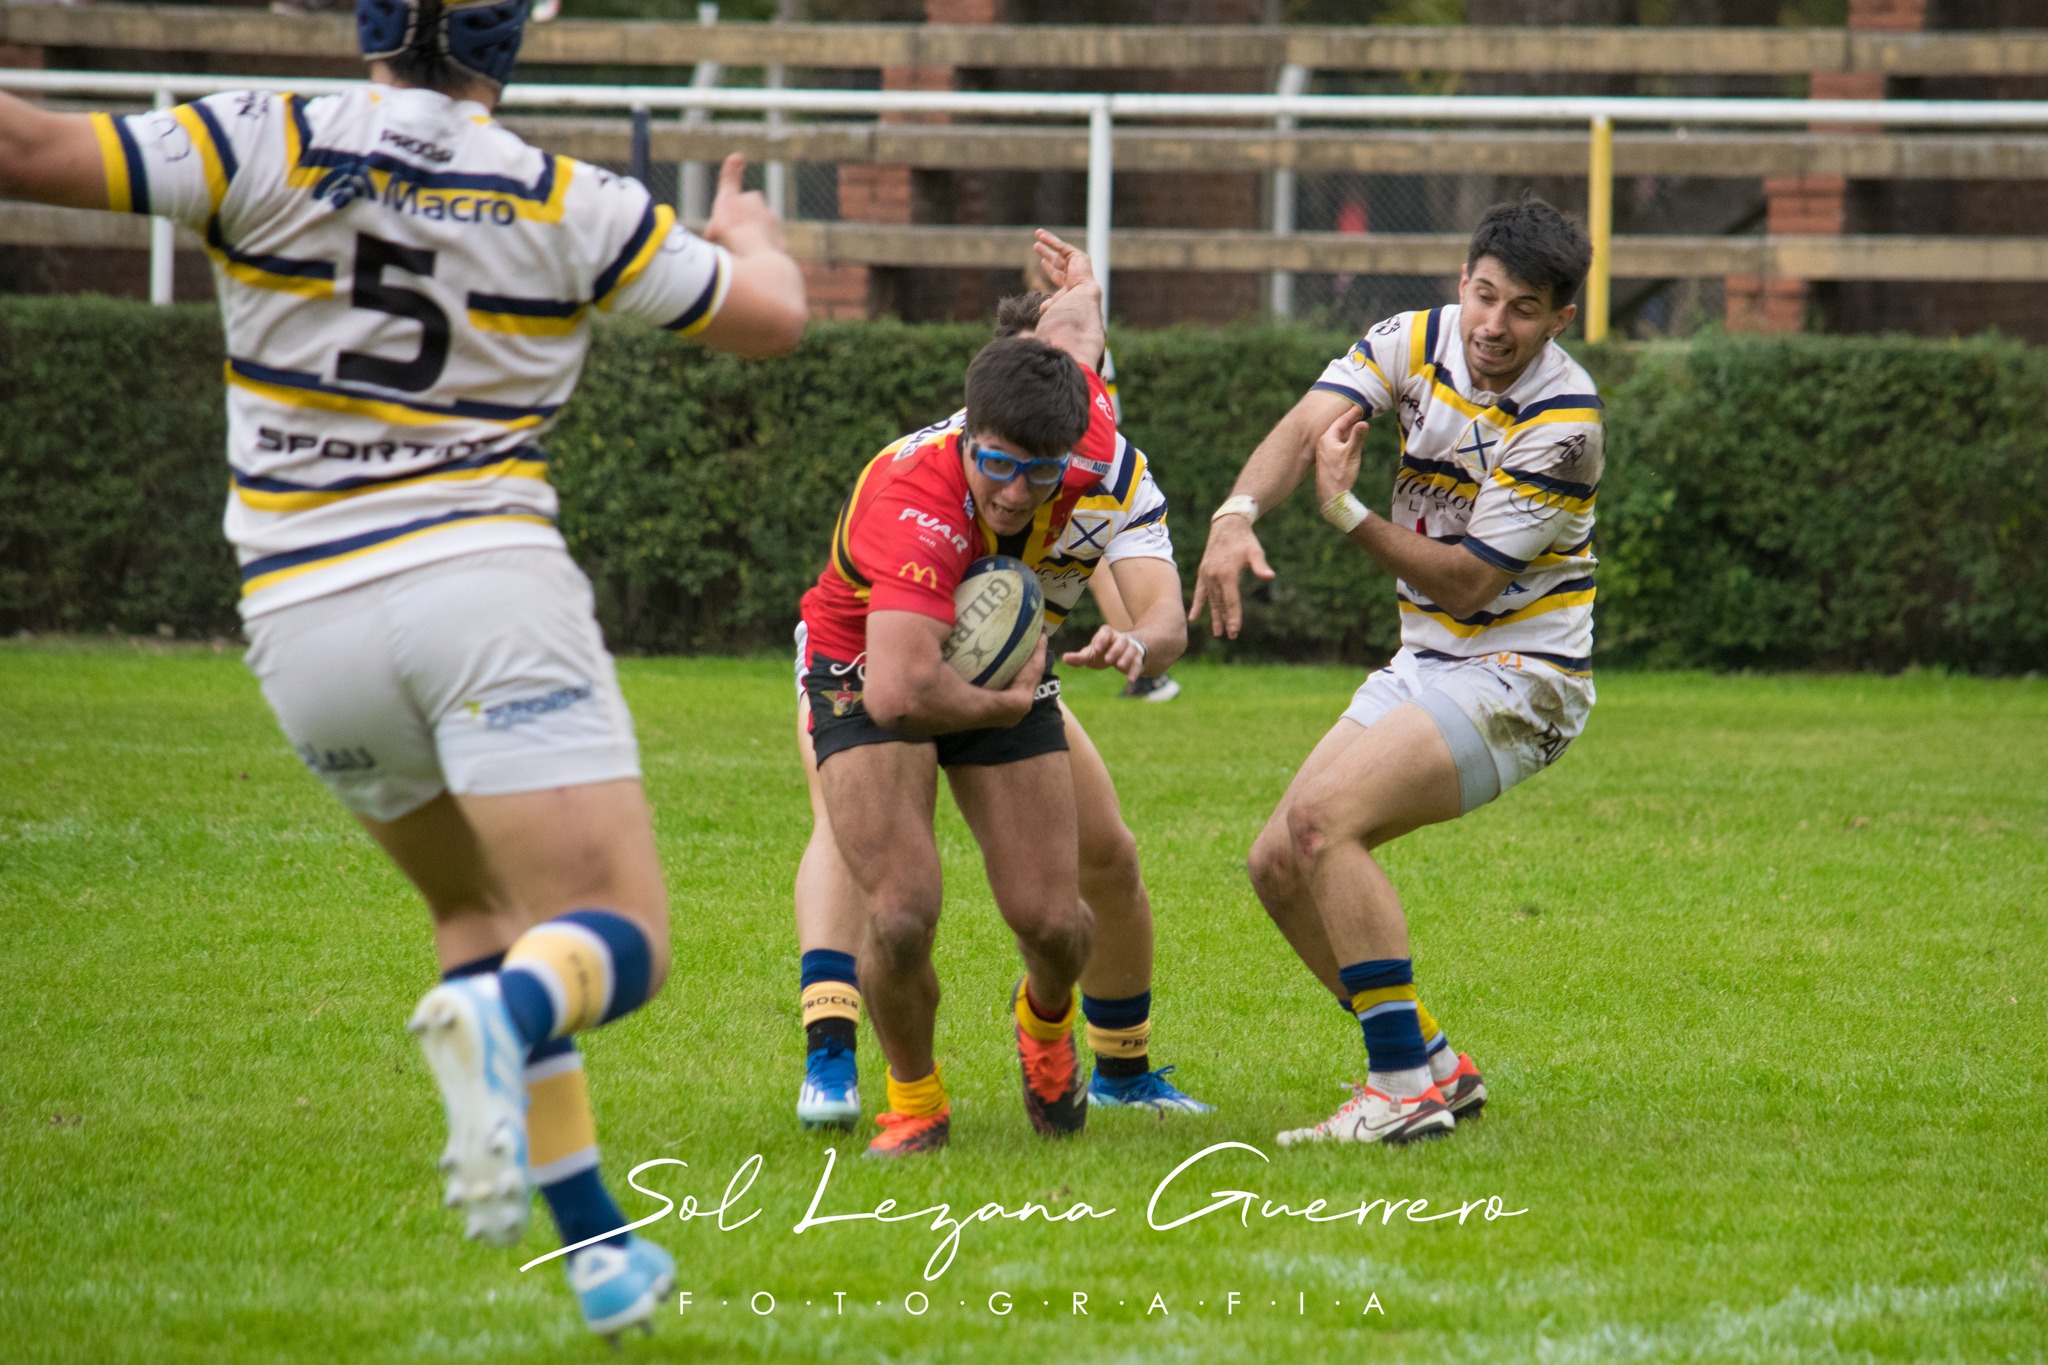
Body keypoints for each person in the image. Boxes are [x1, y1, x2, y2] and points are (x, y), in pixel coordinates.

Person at [0, 0, 806, 1337]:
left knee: (485, 929)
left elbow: (26, 152)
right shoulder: (568, 197)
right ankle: (510, 1051)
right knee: (621, 939)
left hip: (301, 626)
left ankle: (598, 1246)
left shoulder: (261, 137)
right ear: (511, 39)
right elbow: (769, 320)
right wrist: (756, 239)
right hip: (482, 587)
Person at [1190, 197, 1602, 1147]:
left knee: (1324, 826)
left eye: (1524, 309)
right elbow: (1310, 424)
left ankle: (1398, 1090)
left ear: (1560, 319)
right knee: (1276, 862)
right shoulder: (1417, 337)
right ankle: (1432, 1063)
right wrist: (1235, 515)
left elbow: (1464, 586)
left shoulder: (1565, 422)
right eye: (1485, 296)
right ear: (1463, 281)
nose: (1495, 326)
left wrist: (1344, 513)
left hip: (1523, 672)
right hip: (1430, 660)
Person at [790, 286, 1207, 1137]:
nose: (1016, 494)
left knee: (1055, 922)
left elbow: (1166, 618)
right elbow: (901, 693)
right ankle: (915, 1105)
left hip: (999, 666)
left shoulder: (1106, 466)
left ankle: (1046, 1028)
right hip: (871, 663)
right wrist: (1011, 698)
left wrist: (1141, 644)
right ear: (968, 433)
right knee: (902, 910)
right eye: (998, 465)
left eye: (1040, 471)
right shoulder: (917, 495)